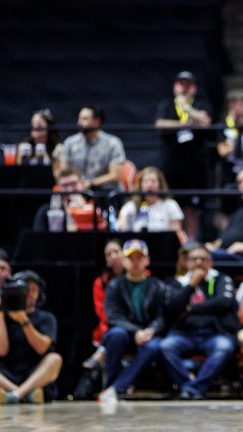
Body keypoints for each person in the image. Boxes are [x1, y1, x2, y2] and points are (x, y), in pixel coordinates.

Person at [161, 244, 237, 400]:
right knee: (166, 346)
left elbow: (224, 302)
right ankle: (192, 388)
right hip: (184, 334)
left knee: (225, 347)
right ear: (187, 263)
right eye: (194, 259)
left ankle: (190, 390)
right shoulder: (178, 282)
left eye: (203, 259)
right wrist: (191, 285)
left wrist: (190, 309)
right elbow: (172, 307)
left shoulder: (221, 279)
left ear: (211, 263)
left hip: (214, 333)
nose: (199, 263)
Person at [98, 239, 167, 403]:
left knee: (155, 345)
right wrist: (135, 331)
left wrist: (152, 330)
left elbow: (162, 316)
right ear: (124, 261)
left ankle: (117, 388)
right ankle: (110, 384)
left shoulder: (158, 286)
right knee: (116, 335)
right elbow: (113, 316)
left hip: (149, 333)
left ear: (147, 260)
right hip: (125, 332)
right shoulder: (114, 285)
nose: (135, 262)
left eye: (139, 257)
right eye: (131, 258)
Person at [0, 271, 61, 404]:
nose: (29, 294)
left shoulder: (47, 317)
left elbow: (42, 349)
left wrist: (24, 321)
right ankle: (21, 393)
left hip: (34, 376)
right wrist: (0, 314)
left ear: (39, 293)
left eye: (33, 290)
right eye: (25, 290)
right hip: (4, 376)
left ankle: (15, 395)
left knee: (55, 359)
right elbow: (1, 351)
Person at [155, 71, 213, 241]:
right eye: (181, 84)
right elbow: (160, 124)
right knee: (172, 205)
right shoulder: (166, 105)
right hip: (171, 166)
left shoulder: (201, 104)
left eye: (187, 85)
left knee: (191, 209)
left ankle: (191, 243)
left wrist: (187, 108)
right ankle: (176, 242)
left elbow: (205, 122)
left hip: (194, 167)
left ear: (193, 88)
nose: (184, 88)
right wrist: (184, 124)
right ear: (175, 86)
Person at [61, 105, 126, 191]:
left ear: (97, 121)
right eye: (79, 119)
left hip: (103, 191)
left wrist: (90, 183)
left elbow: (115, 175)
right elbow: (64, 171)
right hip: (75, 190)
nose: (79, 122)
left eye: (84, 119)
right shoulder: (70, 142)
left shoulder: (112, 143)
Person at [83, 239, 124, 370]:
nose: (113, 256)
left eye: (116, 251)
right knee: (115, 334)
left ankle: (100, 354)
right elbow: (102, 312)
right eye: (109, 254)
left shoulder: (140, 277)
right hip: (111, 324)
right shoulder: (100, 282)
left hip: (135, 324)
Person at [116, 166, 185, 236]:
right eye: (146, 181)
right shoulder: (130, 206)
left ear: (160, 184)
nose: (149, 185)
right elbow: (120, 228)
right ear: (140, 185)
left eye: (153, 181)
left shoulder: (170, 205)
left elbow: (175, 233)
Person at [16, 109, 63, 177]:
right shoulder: (23, 146)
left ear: (48, 127)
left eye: (39, 124)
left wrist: (45, 158)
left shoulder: (58, 148)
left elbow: (59, 174)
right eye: (33, 123)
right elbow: (18, 172)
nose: (35, 126)